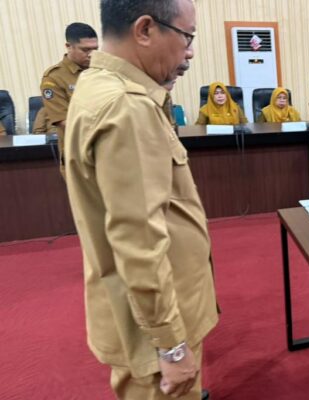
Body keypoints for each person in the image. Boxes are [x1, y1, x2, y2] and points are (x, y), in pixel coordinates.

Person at [64, 0, 218, 398]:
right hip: (155, 331)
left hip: (142, 315)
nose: (190, 51)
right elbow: (140, 242)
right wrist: (171, 344)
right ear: (145, 29)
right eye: (186, 36)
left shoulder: (101, 85)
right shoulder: (127, 107)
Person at [39, 22, 98, 172]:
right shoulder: (54, 77)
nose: (91, 54)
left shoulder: (102, 71)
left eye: (95, 49)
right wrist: (105, 128)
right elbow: (63, 121)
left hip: (107, 151)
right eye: (85, 50)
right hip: (78, 155)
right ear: (68, 46)